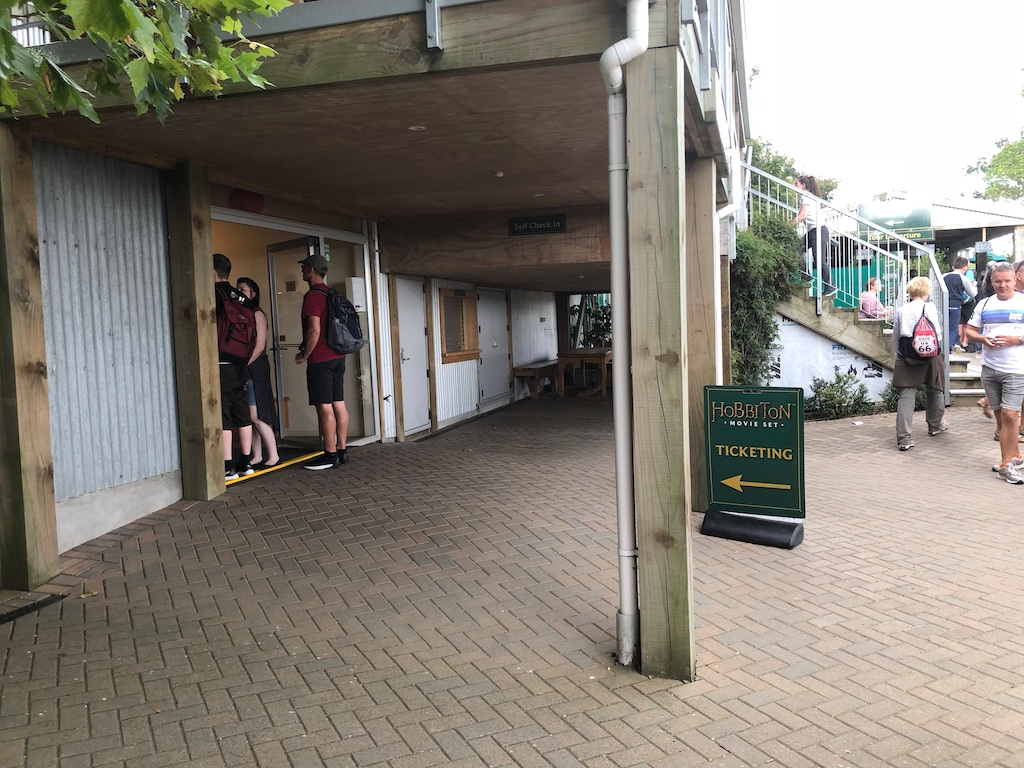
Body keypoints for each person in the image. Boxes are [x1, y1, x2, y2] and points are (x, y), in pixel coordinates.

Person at [964, 261, 1024, 483]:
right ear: (991, 282)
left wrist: (1016, 339)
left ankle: (1006, 465)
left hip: (1017, 369)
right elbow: (970, 332)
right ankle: (1016, 456)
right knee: (1001, 419)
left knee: (1010, 415)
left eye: (1007, 280)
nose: (1003, 285)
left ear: (1015, 280)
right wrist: (982, 339)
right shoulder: (984, 304)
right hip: (990, 369)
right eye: (998, 281)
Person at [295, 251, 350, 470]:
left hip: (321, 359)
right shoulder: (331, 294)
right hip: (338, 356)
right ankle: (342, 450)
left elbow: (314, 330)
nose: (302, 271)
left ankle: (329, 454)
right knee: (339, 403)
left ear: (310, 270)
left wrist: (305, 355)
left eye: (303, 267)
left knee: (324, 407)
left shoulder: (313, 296)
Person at [891, 276, 947, 451]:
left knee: (906, 396)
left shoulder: (901, 310)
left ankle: (904, 439)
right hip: (930, 355)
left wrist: (897, 352)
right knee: (935, 388)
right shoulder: (929, 307)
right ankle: (935, 425)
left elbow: (896, 334)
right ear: (926, 291)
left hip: (907, 354)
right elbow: (937, 332)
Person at [213, 253, 255, 480]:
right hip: (241, 363)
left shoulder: (214, 295)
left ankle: (227, 466)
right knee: (242, 412)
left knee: (223, 415)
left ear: (212, 272)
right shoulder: (241, 298)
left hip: (220, 362)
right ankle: (245, 463)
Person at [236, 277, 281, 469]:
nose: (240, 292)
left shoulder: (257, 314)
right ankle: (257, 455)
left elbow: (260, 345)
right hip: (246, 367)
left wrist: (244, 363)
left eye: (243, 290)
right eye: (238, 289)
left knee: (257, 414)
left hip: (256, 368)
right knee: (249, 414)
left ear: (253, 294)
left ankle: (273, 454)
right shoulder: (242, 314)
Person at [791, 175, 835, 296]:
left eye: (796, 184)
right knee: (795, 248)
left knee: (819, 259)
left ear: (803, 185)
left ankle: (830, 285)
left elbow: (802, 216)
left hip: (818, 231)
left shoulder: (806, 197)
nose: (795, 186)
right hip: (813, 231)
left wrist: (788, 225)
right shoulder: (810, 197)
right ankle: (806, 274)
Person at [942, 256, 976, 353]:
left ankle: (955, 343)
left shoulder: (944, 276)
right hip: (955, 305)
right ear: (965, 268)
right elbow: (972, 293)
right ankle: (947, 349)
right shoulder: (963, 278)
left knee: (945, 326)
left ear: (953, 267)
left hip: (943, 305)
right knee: (953, 327)